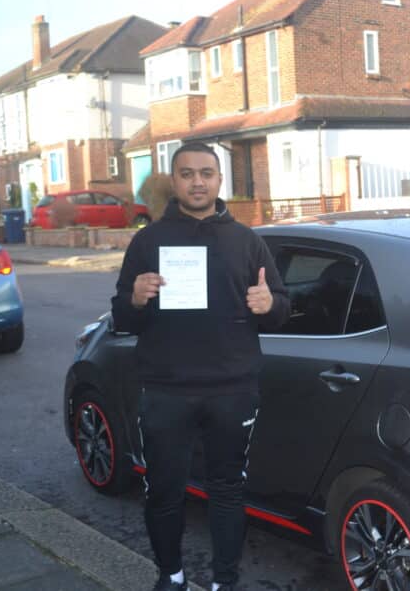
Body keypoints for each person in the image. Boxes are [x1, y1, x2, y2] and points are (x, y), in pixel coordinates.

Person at [111, 142, 289, 591]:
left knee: (227, 491)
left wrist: (270, 305)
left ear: (219, 180)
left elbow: (282, 308)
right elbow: (121, 316)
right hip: (165, 389)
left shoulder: (247, 241)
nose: (197, 181)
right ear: (175, 180)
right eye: (187, 173)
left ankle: (223, 582)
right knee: (164, 492)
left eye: (206, 173)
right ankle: (170, 575)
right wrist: (134, 298)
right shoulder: (148, 241)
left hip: (232, 389)